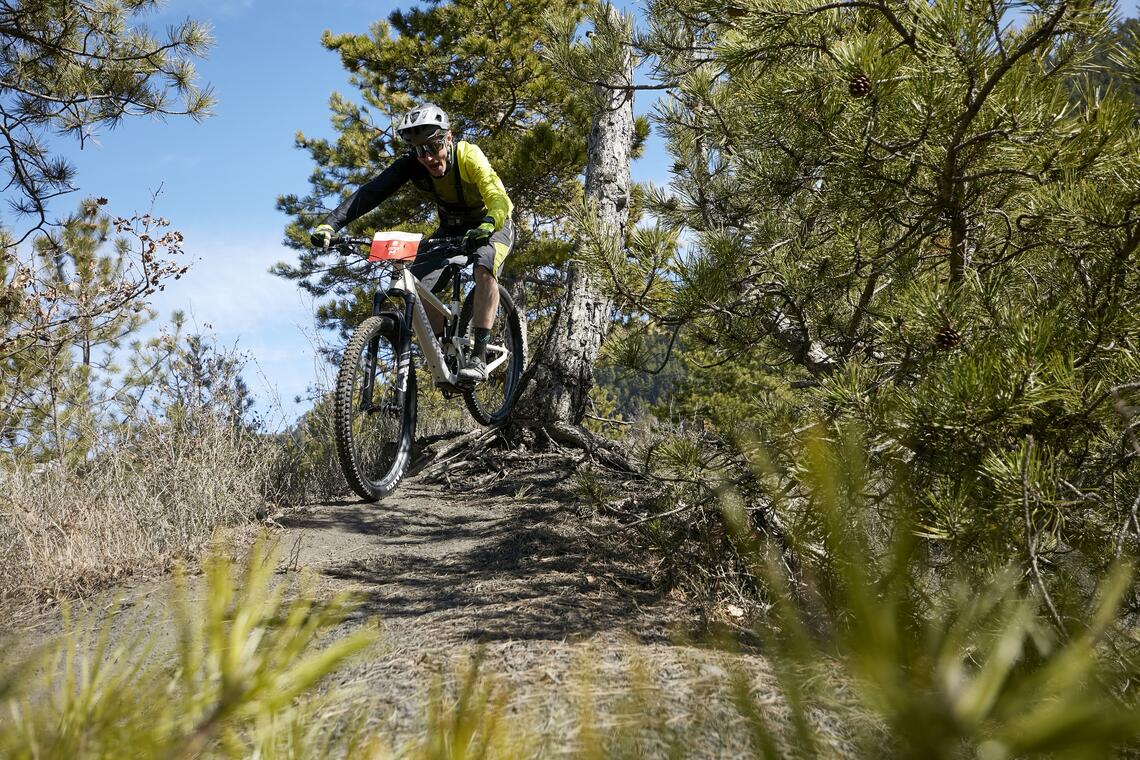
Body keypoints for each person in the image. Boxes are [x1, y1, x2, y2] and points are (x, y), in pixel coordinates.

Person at [310, 103, 514, 382]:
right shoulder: (413, 166)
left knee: (484, 267)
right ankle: (448, 347)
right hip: (451, 229)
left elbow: (496, 195)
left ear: (449, 138)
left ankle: (478, 355)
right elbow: (370, 194)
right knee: (414, 285)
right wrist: (330, 224)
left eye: (433, 146)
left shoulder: (469, 156)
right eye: (420, 150)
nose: (428, 157)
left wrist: (490, 222)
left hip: (494, 223)